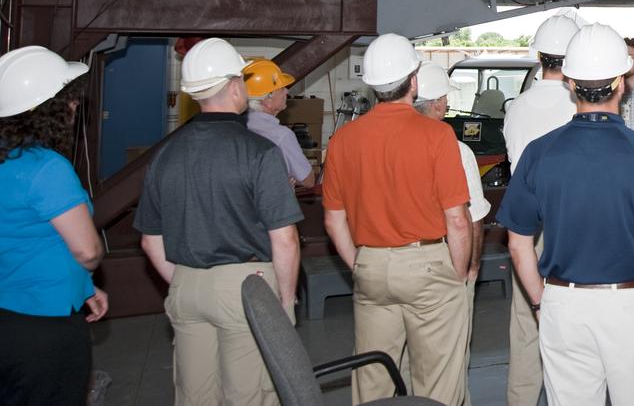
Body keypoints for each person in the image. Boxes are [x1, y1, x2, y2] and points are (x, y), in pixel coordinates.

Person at [498, 23, 634, 406]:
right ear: (623, 83)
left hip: (564, 305)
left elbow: (518, 245)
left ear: (570, 83)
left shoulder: (538, 153)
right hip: (630, 305)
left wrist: (540, 302)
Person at [135, 37, 302, 406]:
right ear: (232, 86)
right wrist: (285, 302)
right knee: (246, 393)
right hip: (245, 288)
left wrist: (185, 279)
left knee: (194, 396)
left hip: (185, 287)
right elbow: (285, 239)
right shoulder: (260, 152)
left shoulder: (165, 154)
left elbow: (150, 241)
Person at [322, 33, 472, 405]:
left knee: (373, 377)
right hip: (427, 265)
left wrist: (359, 263)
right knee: (437, 379)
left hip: (371, 266)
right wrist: (455, 271)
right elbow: (456, 219)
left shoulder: (343, 140)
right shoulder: (438, 136)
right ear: (414, 80)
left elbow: (333, 219)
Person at [0, 46, 108, 405]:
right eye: (69, 99)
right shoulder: (47, 167)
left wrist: (84, 287)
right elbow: (87, 249)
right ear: (48, 108)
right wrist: (88, 271)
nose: (75, 106)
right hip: (43, 325)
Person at [499, 13, 580, 406]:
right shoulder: (578, 109)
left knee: (527, 325)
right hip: (573, 230)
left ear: (540, 57)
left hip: (527, 232)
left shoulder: (517, 107)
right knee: (579, 330)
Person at [415, 61, 489, 405]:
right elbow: (469, 217)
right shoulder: (457, 150)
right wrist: (470, 269)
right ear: (440, 103)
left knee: (398, 357)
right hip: (443, 260)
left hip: (386, 260)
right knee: (448, 356)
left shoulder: (377, 141)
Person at [243, 57, 315, 187]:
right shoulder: (281, 136)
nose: (287, 91)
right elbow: (308, 181)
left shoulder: (237, 126)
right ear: (267, 99)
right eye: (281, 88)